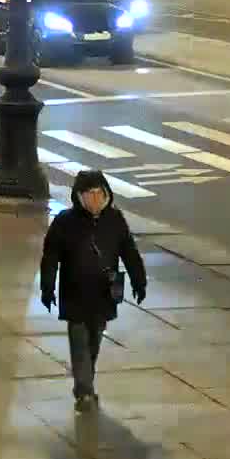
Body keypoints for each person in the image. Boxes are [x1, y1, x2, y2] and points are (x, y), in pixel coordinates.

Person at [40, 170, 147, 412]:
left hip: (103, 293)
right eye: (89, 194)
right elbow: (50, 257)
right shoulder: (65, 222)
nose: (95, 199)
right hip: (75, 292)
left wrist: (139, 280)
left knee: (94, 341)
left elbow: (129, 252)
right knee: (79, 343)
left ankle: (84, 383)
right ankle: (85, 392)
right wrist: (47, 287)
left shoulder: (115, 219)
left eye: (99, 193)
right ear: (79, 196)